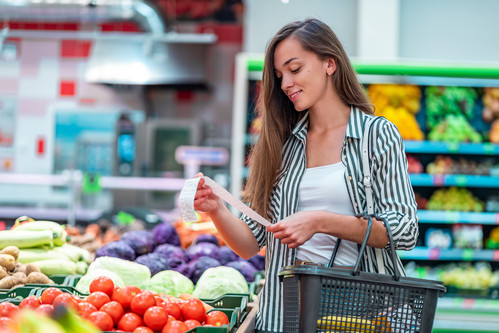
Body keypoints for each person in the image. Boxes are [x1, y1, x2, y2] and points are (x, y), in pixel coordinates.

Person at [193, 18, 419, 333]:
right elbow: (250, 244)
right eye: (279, 75)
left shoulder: (376, 135)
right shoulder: (280, 145)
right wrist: (216, 209)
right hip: (286, 312)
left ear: (330, 63)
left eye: (295, 69)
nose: (285, 83)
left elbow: (405, 230)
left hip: (362, 312)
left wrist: (319, 221)